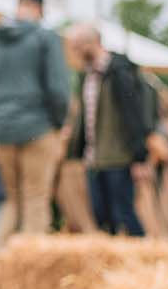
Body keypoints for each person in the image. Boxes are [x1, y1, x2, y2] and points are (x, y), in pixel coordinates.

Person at [0, 0, 70, 276]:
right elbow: (58, 88)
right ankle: (32, 274)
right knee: (36, 198)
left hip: (2, 130)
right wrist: (57, 121)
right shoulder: (45, 38)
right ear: (39, 9)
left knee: (11, 201)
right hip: (38, 127)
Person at [62, 24, 157, 238]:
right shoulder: (88, 76)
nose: (75, 53)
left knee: (124, 212)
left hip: (118, 156)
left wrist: (140, 156)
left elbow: (135, 115)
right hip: (94, 157)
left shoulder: (120, 72)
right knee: (101, 215)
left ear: (91, 43)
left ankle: (143, 254)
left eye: (77, 47)